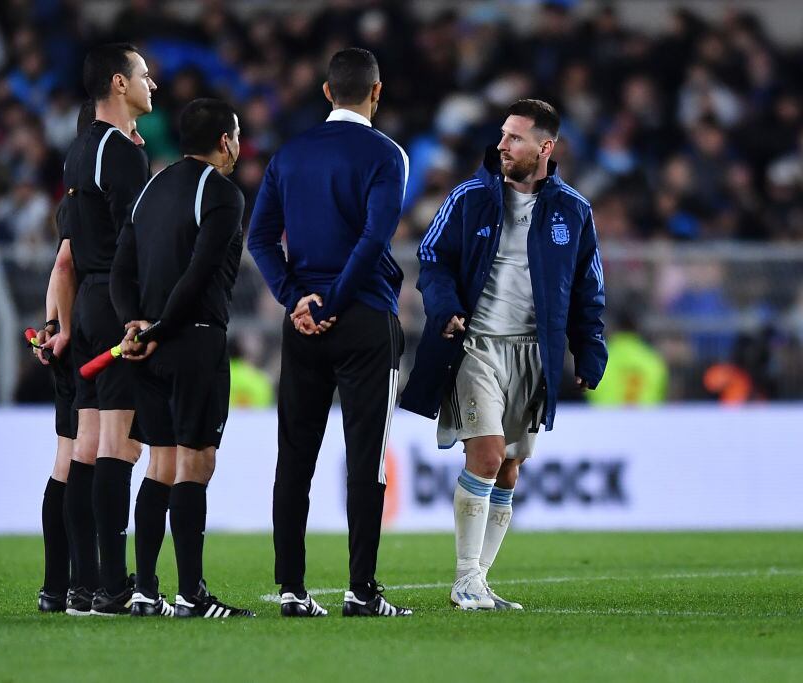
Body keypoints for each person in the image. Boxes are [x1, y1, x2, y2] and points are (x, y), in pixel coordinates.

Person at [400, 99, 608, 611]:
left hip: (533, 353)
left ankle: (480, 580)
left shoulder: (573, 210)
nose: (502, 145)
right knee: (488, 455)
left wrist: (589, 350)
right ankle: (464, 579)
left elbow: (588, 289)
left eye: (515, 137)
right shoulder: (469, 196)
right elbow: (432, 258)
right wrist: (445, 306)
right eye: (502, 135)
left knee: (510, 469)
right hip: (477, 345)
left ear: (545, 146)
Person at [247, 48, 412, 618]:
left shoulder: (289, 154)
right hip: (364, 316)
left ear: (326, 92)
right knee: (366, 459)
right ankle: (361, 590)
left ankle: (291, 589)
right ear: (377, 92)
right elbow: (374, 239)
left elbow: (260, 239)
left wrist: (297, 299)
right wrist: (335, 301)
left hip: (303, 325)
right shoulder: (387, 154)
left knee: (295, 457)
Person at [111, 97, 253, 618]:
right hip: (193, 339)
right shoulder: (222, 193)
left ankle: (146, 591)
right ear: (225, 141)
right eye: (237, 137)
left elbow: (121, 269)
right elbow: (200, 272)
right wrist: (163, 328)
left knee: (161, 462)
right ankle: (192, 594)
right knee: (196, 461)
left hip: (146, 345)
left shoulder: (152, 188)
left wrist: (135, 324)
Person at [61, 43, 174, 617]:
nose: (152, 84)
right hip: (115, 300)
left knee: (86, 446)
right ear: (119, 83)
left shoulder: (80, 149)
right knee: (119, 446)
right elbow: (138, 239)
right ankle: (112, 585)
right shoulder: (121, 152)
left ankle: (83, 584)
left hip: (87, 300)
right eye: (144, 75)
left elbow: (70, 248)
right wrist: (142, 314)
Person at [31, 99, 95, 613]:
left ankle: (57, 584)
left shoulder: (71, 198)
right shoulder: (88, 197)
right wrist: (64, 329)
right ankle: (82, 581)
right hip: (84, 340)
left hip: (66, 338)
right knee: (85, 459)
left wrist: (51, 326)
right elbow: (65, 267)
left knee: (67, 459)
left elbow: (59, 267)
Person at [588, 309, 667, 406]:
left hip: (605, 414)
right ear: (639, 329)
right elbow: (659, 393)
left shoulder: (598, 358)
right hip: (644, 415)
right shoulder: (653, 360)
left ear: (613, 328)